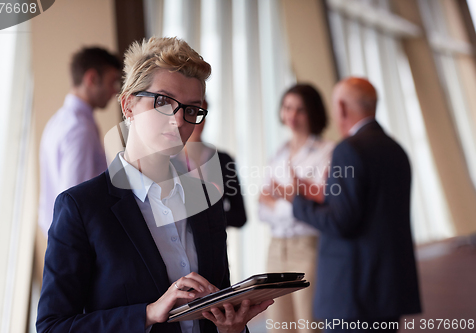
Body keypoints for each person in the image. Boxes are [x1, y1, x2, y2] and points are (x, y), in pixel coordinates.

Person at [36, 37, 272, 333]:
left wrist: (233, 328)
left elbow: (218, 306)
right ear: (128, 105)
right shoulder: (81, 208)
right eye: (163, 101)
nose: (178, 120)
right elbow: (52, 326)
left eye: (191, 109)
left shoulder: (206, 201)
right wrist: (147, 314)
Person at [290, 77, 421, 332]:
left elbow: (342, 222)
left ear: (341, 107)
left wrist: (299, 202)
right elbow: (373, 210)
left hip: (352, 293)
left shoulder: (348, 149)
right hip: (386, 290)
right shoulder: (397, 150)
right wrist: (325, 196)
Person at [259, 84, 335, 333]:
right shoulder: (278, 153)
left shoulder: (327, 152)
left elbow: (323, 202)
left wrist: (281, 198)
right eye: (288, 107)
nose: (292, 115)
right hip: (276, 248)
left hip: (307, 248)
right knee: (279, 325)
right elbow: (261, 206)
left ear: (313, 112)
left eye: (300, 109)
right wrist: (292, 201)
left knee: (309, 324)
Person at [38, 46, 122, 236]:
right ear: (92, 78)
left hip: (61, 237)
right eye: (112, 82)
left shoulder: (57, 121)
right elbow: (74, 199)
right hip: (78, 241)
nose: (114, 92)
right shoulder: (80, 129)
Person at [171, 99, 247, 228]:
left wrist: (213, 212)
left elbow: (240, 217)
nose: (197, 121)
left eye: (200, 115)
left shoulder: (223, 160)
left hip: (216, 244)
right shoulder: (168, 164)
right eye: (191, 113)